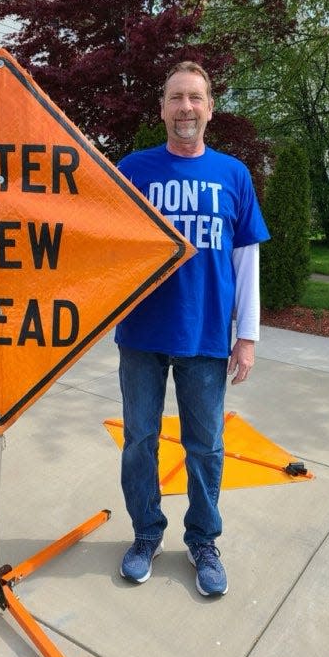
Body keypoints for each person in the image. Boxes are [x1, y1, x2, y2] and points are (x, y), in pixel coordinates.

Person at [114, 61, 270, 597]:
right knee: (139, 441)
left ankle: (203, 539)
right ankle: (145, 534)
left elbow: (246, 262)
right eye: (176, 97)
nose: (186, 107)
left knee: (206, 447)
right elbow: (109, 249)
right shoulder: (132, 170)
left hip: (205, 336)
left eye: (196, 98)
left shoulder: (233, 174)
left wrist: (246, 337)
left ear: (209, 108)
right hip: (140, 334)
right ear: (161, 108)